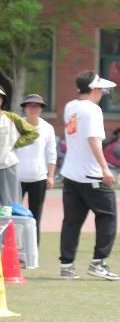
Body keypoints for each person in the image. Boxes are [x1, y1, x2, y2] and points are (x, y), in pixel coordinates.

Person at [59, 71, 120, 281]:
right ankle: (98, 262)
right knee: (108, 215)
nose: (103, 93)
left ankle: (66, 265)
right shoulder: (93, 110)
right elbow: (93, 140)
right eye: (101, 89)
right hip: (90, 174)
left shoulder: (70, 106)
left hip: (70, 173)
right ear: (94, 89)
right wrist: (105, 169)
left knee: (72, 221)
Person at [16, 94, 56, 244]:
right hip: (18, 179)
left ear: (41, 109)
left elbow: (51, 153)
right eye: (30, 106)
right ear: (25, 108)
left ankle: (32, 252)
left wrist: (50, 176)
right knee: (14, 215)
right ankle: (14, 251)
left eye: (37, 106)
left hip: (38, 178)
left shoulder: (47, 128)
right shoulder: (17, 126)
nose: (33, 109)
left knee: (35, 216)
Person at [0, 89, 39, 204]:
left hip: (8, 165)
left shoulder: (11, 117)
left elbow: (33, 133)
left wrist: (16, 143)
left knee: (9, 202)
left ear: (2, 101)